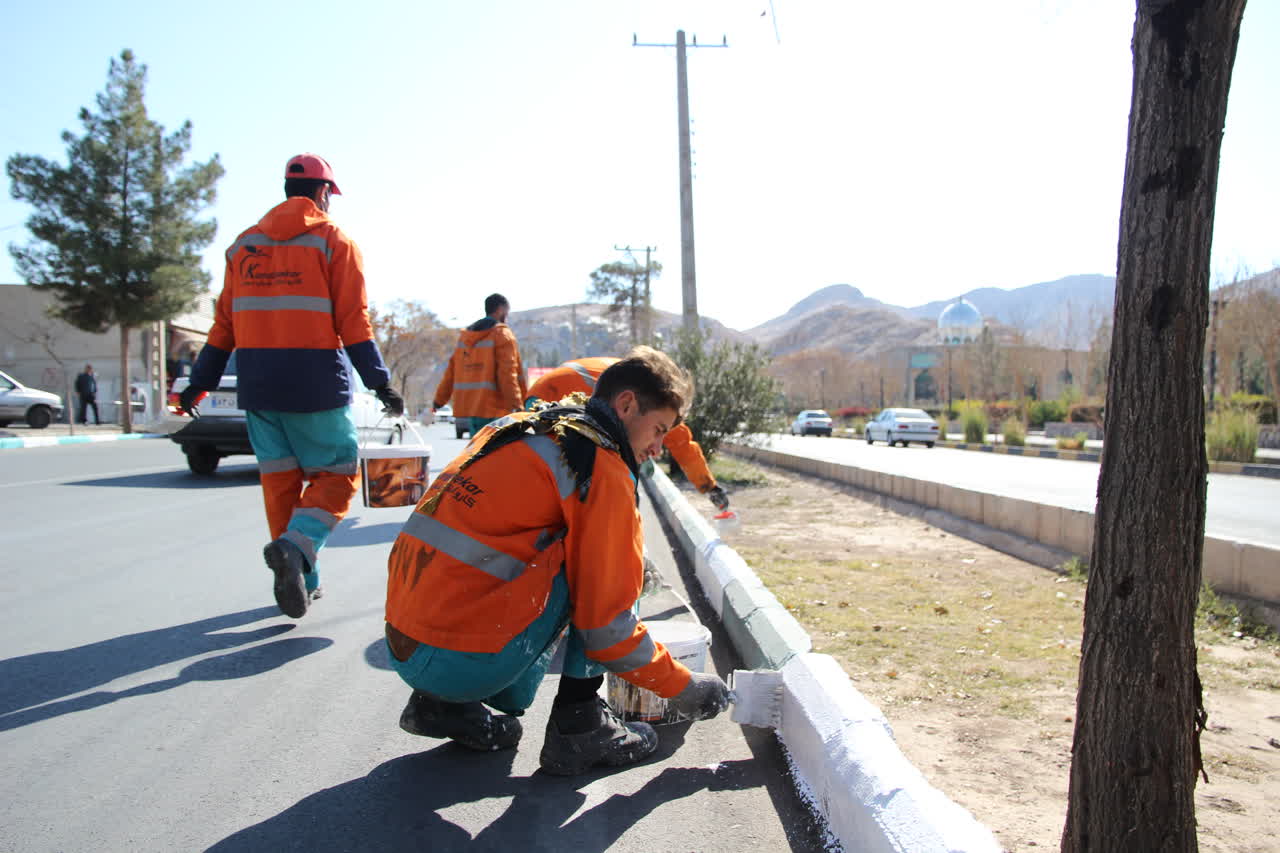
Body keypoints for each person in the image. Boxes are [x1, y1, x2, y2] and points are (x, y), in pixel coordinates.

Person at [385, 347, 731, 775]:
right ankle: (580, 726)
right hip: (463, 661)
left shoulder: (525, 425)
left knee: (565, 550)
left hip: (405, 645)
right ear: (626, 405)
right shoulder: (598, 463)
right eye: (658, 430)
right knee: (615, 567)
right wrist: (684, 687)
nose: (658, 448)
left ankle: (441, 707)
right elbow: (608, 631)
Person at [181, 153, 404, 620]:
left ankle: (305, 578)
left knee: (281, 487)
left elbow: (222, 327)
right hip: (315, 383)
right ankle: (297, 549)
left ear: (286, 190)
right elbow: (353, 323)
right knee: (338, 476)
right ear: (324, 193)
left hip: (259, 387)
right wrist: (381, 383)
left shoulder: (243, 247)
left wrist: (196, 386)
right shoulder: (332, 240)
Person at [525, 354, 730, 513]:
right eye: (658, 431)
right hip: (559, 396)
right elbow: (684, 445)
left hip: (538, 398)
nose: (657, 449)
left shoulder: (631, 377)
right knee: (612, 482)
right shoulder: (654, 399)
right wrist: (709, 487)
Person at [431, 293, 526, 438]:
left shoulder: (465, 338)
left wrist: (438, 402)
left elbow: (450, 373)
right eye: (507, 311)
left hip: (472, 409)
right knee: (497, 456)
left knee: (477, 455)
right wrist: (518, 406)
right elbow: (507, 374)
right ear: (500, 310)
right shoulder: (502, 335)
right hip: (496, 410)